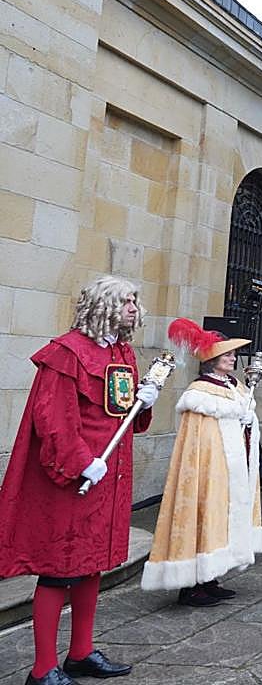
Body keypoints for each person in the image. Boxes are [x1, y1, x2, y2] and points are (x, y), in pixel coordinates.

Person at [0, 276, 157, 684]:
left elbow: (124, 418)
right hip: (71, 480)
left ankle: (81, 652)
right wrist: (80, 463)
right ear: (102, 304)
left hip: (109, 477)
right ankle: (42, 669)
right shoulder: (66, 354)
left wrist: (143, 401)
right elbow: (52, 421)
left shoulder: (122, 353)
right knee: (59, 569)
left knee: (91, 566)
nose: (132, 308)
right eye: (125, 301)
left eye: (134, 301)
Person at [142, 319, 262, 606]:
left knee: (220, 519)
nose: (233, 357)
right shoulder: (200, 393)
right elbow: (201, 442)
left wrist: (248, 421)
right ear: (212, 359)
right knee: (203, 515)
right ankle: (191, 585)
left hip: (233, 470)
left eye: (232, 354)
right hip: (210, 471)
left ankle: (211, 578)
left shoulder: (236, 387)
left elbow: (243, 423)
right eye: (227, 354)